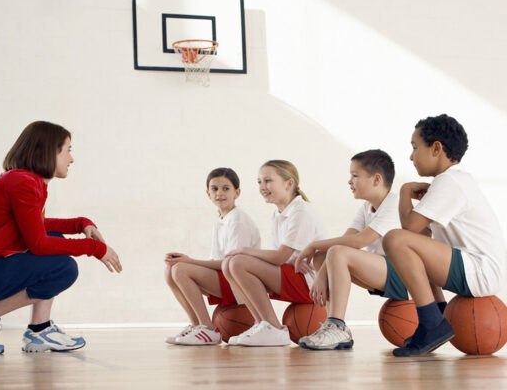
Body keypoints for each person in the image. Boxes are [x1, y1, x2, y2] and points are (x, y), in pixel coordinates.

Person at [0, 121, 122, 355]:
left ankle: (39, 329)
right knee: (64, 267)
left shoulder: (26, 180)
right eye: (68, 151)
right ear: (48, 152)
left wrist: (81, 223)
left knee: (56, 245)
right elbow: (38, 243)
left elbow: (35, 228)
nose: (71, 159)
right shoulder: (22, 182)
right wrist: (94, 248)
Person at [383, 114, 506, 356]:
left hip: (480, 270)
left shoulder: (450, 181)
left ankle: (432, 322)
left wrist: (405, 191)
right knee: (410, 246)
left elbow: (407, 230)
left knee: (394, 239)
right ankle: (437, 314)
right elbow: (417, 236)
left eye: (415, 147)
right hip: (477, 267)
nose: (411, 156)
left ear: (437, 148)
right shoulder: (453, 181)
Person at [294, 150, 402, 350]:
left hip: (403, 276)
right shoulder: (366, 207)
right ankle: (333, 327)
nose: (349, 181)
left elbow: (360, 240)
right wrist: (321, 272)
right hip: (382, 272)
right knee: (323, 256)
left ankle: (337, 325)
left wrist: (313, 244)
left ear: (377, 179)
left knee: (333, 252)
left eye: (355, 175)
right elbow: (345, 240)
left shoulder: (394, 203)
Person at [223, 160, 326, 346]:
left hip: (311, 283)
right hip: (294, 273)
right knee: (228, 263)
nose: (262, 187)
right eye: (259, 182)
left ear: (289, 184)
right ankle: (261, 323)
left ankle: (274, 328)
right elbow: (281, 258)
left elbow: (279, 256)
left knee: (238, 262)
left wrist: (246, 250)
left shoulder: (301, 211)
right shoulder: (278, 214)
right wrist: (285, 259)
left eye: (268, 181)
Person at [164, 168, 261, 345]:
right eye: (214, 189)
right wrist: (186, 260)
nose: (219, 193)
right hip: (226, 276)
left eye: (226, 188)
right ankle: (197, 326)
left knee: (180, 270)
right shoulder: (222, 219)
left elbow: (230, 263)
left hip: (240, 283)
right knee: (171, 270)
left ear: (237, 193)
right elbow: (215, 261)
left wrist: (189, 261)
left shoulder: (238, 221)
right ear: (208, 194)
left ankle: (208, 330)